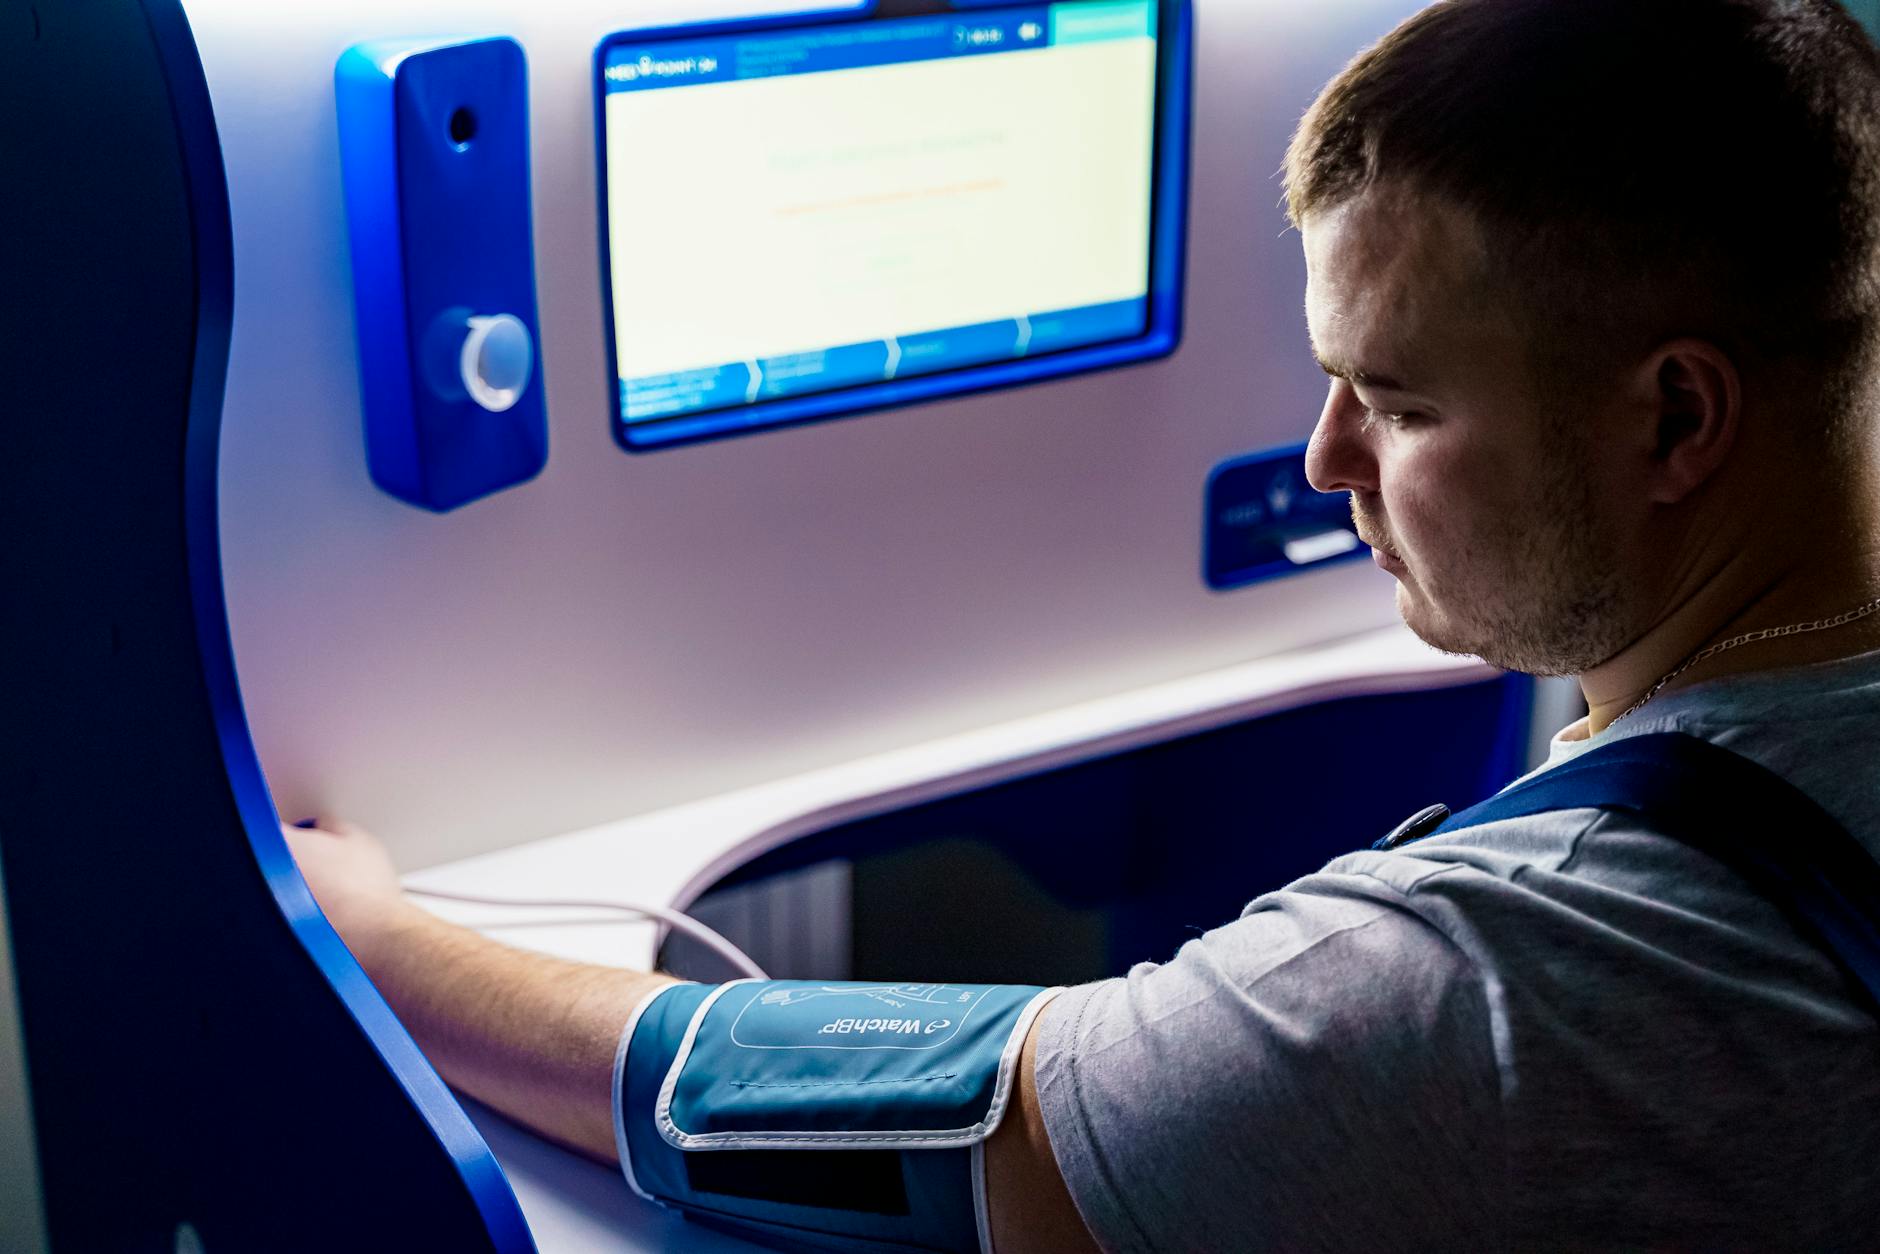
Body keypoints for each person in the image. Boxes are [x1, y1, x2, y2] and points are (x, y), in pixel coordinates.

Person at [287, 0, 1880, 1247]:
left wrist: (372, 940)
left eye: (1394, 403)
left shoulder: (1508, 979)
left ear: (1678, 421)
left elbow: (968, 1131)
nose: (1326, 458)